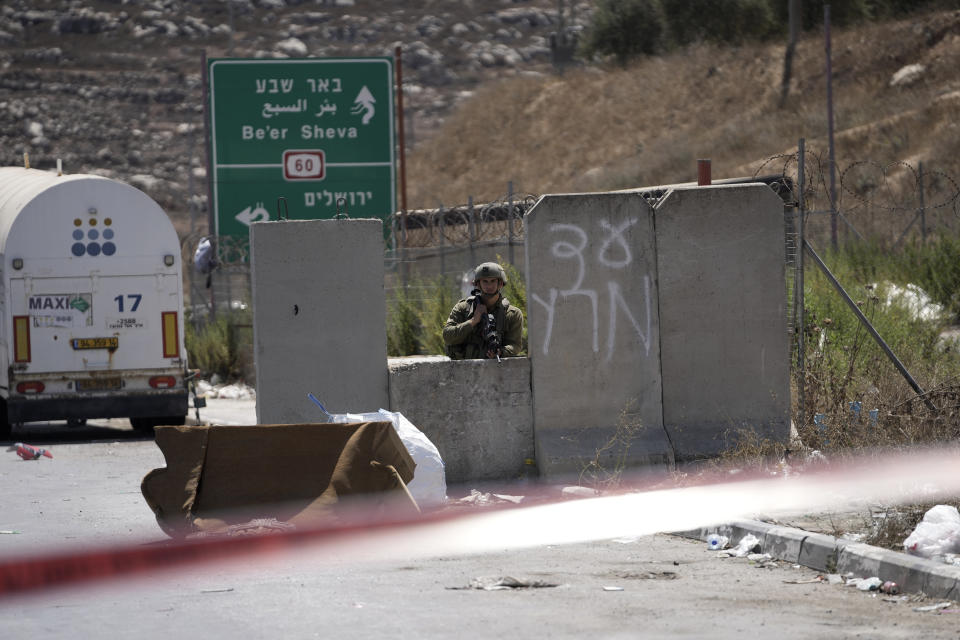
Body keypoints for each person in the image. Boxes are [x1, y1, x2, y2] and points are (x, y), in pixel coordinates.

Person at [443, 262, 523, 360]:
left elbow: (515, 345)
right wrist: (473, 321)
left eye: (493, 281)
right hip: (463, 369)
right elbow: (447, 336)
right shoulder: (463, 308)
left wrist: (501, 352)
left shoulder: (512, 314)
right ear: (478, 284)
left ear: (500, 283)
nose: (489, 285)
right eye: (485, 281)